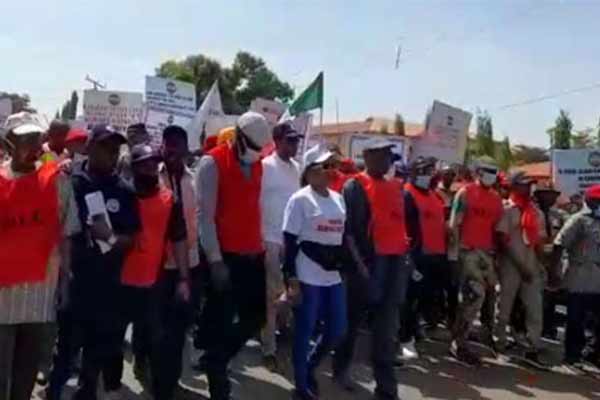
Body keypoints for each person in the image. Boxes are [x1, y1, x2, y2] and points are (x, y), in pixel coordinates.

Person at [48, 124, 140, 400]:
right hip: (74, 284)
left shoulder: (124, 191)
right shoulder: (69, 182)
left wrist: (110, 237)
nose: (112, 154)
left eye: (116, 149)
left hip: (107, 288)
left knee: (95, 357)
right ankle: (54, 392)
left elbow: (131, 239)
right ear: (89, 147)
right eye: (105, 148)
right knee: (65, 352)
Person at [0, 112, 79, 400]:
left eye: (37, 138)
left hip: (39, 297)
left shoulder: (57, 181)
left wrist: (65, 283)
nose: (34, 145)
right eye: (25, 139)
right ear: (8, 143)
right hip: (2, 298)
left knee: (26, 371)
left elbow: (66, 233)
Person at [332, 139, 415, 400]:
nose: (386, 161)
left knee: (387, 330)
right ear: (367, 156)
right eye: (380, 155)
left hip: (394, 265)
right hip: (367, 265)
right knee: (352, 322)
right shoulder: (354, 186)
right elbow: (348, 234)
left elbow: (404, 227)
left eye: (389, 156)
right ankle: (341, 368)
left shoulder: (398, 189)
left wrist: (406, 260)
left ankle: (386, 388)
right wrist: (360, 268)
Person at [197, 111, 272, 400]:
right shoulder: (211, 163)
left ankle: (217, 357)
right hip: (225, 258)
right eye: (253, 147)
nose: (257, 154)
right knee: (221, 322)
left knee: (257, 317)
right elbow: (205, 217)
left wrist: (263, 247)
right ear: (239, 137)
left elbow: (254, 210)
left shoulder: (258, 167)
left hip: (253, 254)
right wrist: (215, 261)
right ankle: (219, 385)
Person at [283, 148, 347, 400]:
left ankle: (309, 366)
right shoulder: (300, 200)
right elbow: (289, 243)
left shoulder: (338, 198)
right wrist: (292, 279)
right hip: (307, 276)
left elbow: (341, 236)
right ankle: (300, 385)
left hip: (332, 276)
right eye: (324, 167)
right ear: (309, 172)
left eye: (333, 166)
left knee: (337, 329)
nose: (331, 171)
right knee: (305, 329)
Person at [155, 125, 201, 399]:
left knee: (179, 329)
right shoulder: (152, 178)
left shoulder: (192, 181)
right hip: (160, 268)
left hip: (190, 266)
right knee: (161, 333)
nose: (171, 150)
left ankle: (170, 382)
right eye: (167, 144)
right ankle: (162, 387)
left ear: (185, 149)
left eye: (176, 145)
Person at [449, 157, 503, 366]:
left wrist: (495, 257)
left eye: (494, 171)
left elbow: (496, 229)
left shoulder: (496, 199)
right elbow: (454, 225)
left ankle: (474, 333)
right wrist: (454, 256)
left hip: (486, 253)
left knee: (489, 297)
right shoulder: (466, 193)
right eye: (487, 171)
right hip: (467, 251)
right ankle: (459, 343)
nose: (491, 174)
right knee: (474, 296)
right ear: (478, 172)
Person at [260, 121, 303, 370]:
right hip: (269, 240)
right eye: (289, 140)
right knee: (273, 296)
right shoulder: (265, 167)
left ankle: (280, 330)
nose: (294, 144)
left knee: (292, 294)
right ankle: (269, 348)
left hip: (292, 242)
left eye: (296, 140)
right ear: (276, 141)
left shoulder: (298, 169)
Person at [494, 172, 547, 368]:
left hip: (531, 265)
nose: (528, 188)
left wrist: (541, 265)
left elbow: (539, 242)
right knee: (505, 306)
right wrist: (519, 265)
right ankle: (499, 343)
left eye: (530, 185)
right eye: (524, 185)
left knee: (535, 308)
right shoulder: (507, 210)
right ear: (514, 186)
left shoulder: (537, 213)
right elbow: (502, 240)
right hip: (511, 265)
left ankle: (533, 346)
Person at [403, 158, 452, 345]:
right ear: (413, 173)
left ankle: (417, 330)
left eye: (430, 171)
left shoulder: (433, 196)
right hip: (417, 255)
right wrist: (409, 258)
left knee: (427, 298)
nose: (427, 175)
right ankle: (405, 339)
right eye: (423, 171)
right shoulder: (407, 194)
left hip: (436, 255)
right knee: (410, 299)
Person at [553, 185, 600, 367]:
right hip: (579, 275)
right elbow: (559, 245)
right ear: (589, 201)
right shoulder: (578, 220)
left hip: (597, 278)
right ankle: (572, 355)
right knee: (575, 319)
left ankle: (593, 352)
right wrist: (555, 272)